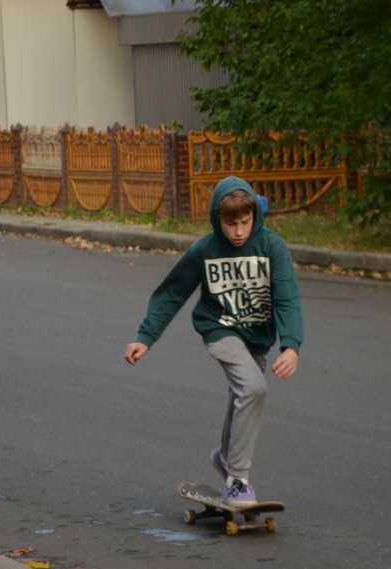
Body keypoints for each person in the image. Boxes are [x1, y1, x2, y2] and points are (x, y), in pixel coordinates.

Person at [124, 176, 304, 506]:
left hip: (257, 335)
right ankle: (237, 480)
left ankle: (225, 457)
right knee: (254, 388)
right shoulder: (205, 250)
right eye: (230, 223)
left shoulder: (272, 247)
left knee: (243, 391)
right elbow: (173, 292)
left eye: (245, 223)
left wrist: (291, 345)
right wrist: (146, 336)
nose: (238, 231)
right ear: (216, 218)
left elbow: (287, 298)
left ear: (255, 216)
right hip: (219, 328)